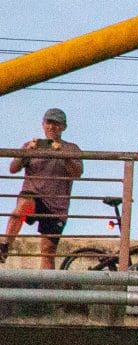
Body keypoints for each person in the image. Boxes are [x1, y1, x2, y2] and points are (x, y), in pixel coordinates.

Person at [4, 106, 82, 270]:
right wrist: (27, 152)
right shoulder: (31, 145)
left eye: (56, 123)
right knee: (24, 206)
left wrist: (62, 155)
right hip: (33, 195)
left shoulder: (71, 148)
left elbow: (77, 173)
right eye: (49, 123)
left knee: (48, 250)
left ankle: (47, 285)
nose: (52, 127)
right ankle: (4, 245)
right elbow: (13, 168)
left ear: (63, 127)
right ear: (43, 124)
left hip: (56, 206)